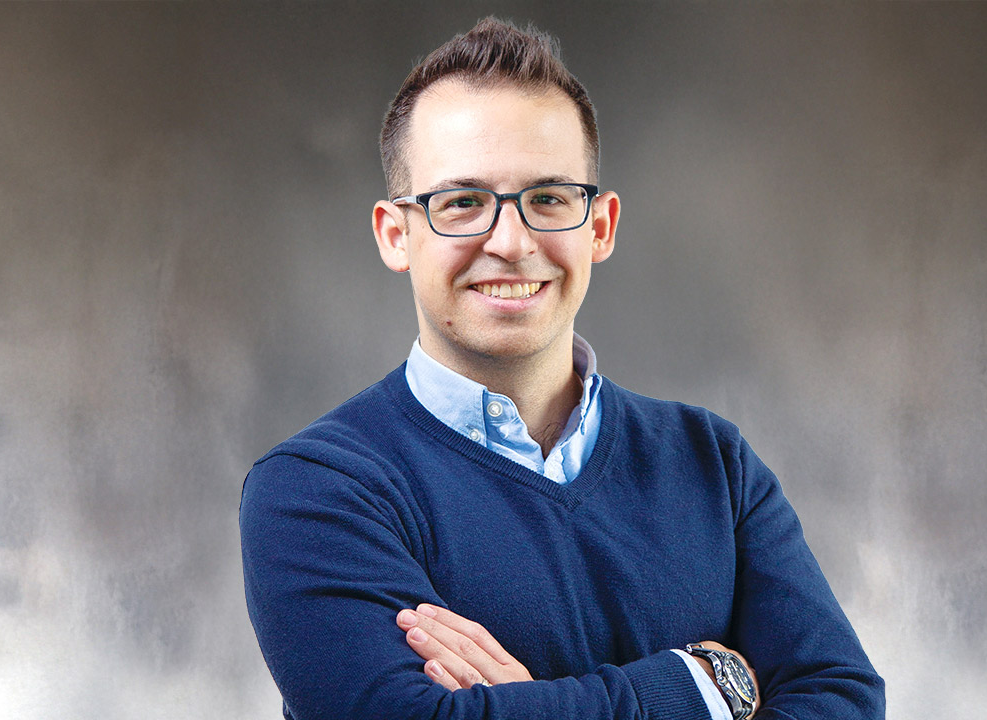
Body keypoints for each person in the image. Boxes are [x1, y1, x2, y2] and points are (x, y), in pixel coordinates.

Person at [240, 17, 885, 720]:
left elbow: (844, 700)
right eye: (463, 203)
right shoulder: (317, 492)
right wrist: (701, 686)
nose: (511, 242)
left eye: (548, 199)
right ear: (397, 235)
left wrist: (528, 706)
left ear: (599, 226)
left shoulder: (714, 466)